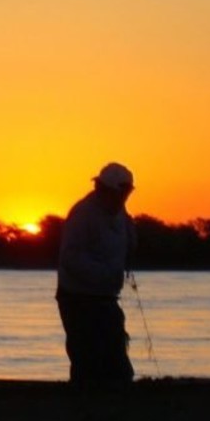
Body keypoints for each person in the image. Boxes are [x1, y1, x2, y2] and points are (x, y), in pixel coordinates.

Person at [55, 162, 137, 385]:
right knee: (87, 359)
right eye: (120, 193)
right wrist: (104, 275)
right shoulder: (82, 214)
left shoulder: (121, 214)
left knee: (117, 361)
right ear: (103, 189)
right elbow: (70, 258)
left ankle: (116, 397)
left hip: (106, 298)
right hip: (77, 298)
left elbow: (126, 242)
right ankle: (83, 400)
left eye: (127, 193)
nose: (123, 198)